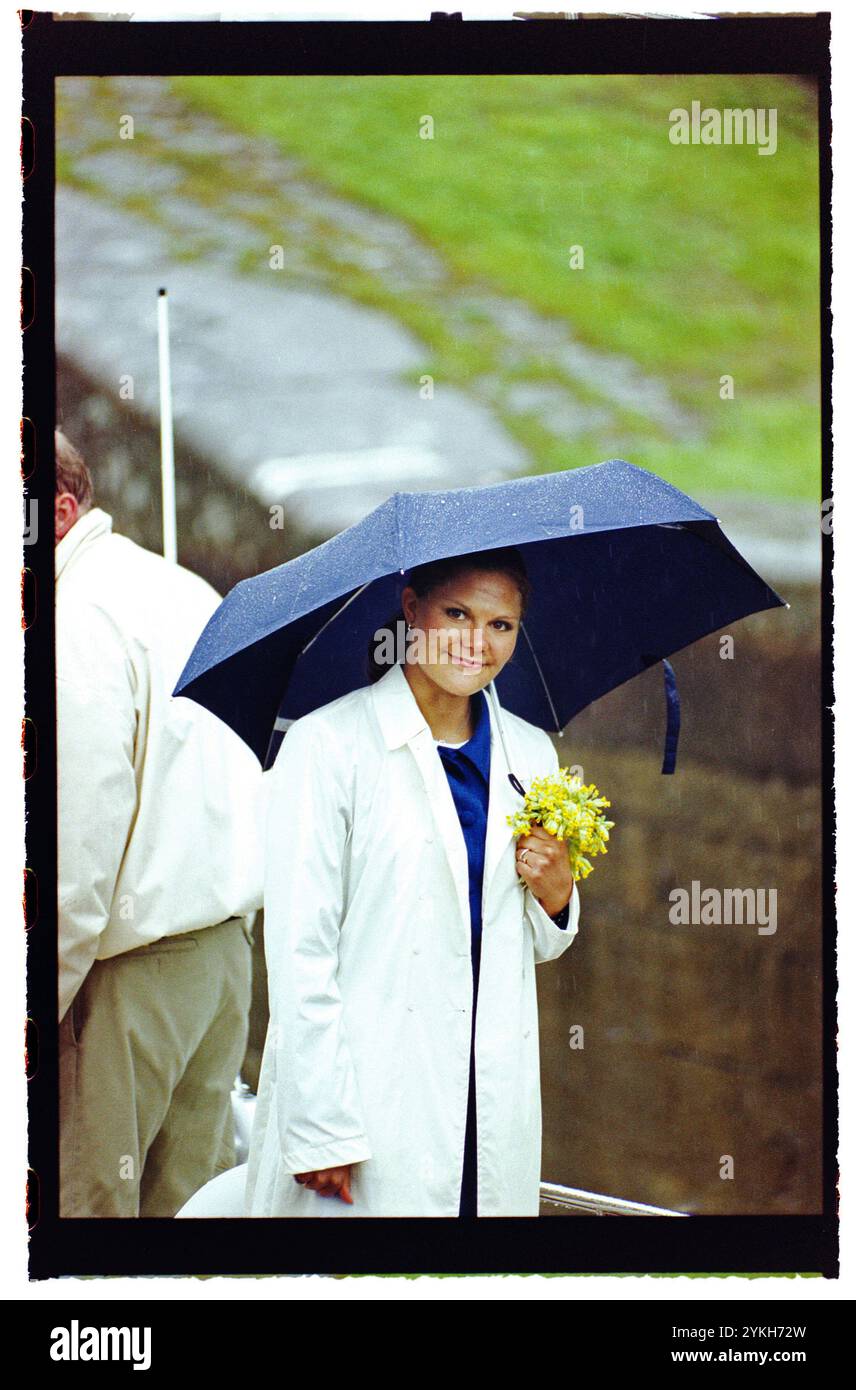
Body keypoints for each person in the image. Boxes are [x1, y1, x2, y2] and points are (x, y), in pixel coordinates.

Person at [245, 546, 580, 1218]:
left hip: (489, 1102)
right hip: (369, 1102)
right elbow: (299, 953)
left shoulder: (531, 754)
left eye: (500, 625)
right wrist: (322, 1128)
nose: (475, 643)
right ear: (409, 609)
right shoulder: (327, 746)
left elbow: (531, 945)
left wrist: (558, 894)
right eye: (456, 613)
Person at [55, 429, 267, 1217]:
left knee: (90, 1221)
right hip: (224, 962)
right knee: (193, 1220)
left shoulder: (73, 617)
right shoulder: (179, 587)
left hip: (126, 980)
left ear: (59, 508)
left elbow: (74, 850)